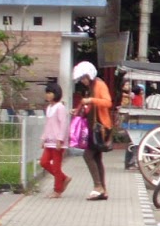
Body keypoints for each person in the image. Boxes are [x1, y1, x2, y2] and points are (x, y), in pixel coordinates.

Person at [73, 60, 112, 201]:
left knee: (88, 156)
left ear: (89, 75)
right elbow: (91, 108)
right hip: (94, 127)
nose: (82, 81)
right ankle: (103, 189)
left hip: (100, 127)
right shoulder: (91, 87)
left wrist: (91, 100)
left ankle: (98, 187)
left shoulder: (99, 85)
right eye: (81, 79)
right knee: (96, 157)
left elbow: (108, 102)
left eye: (84, 78)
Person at [40, 80, 71, 197]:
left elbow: (63, 124)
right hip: (49, 141)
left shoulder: (60, 107)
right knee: (44, 162)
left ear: (56, 93)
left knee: (57, 166)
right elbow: (48, 124)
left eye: (50, 93)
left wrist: (60, 139)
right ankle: (64, 178)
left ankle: (57, 190)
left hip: (58, 142)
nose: (48, 95)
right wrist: (43, 138)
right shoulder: (48, 108)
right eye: (47, 93)